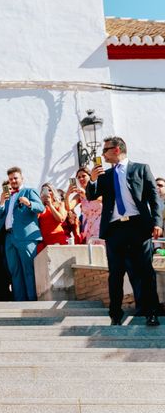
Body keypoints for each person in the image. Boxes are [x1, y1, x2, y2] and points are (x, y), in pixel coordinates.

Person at [87, 136, 163, 326]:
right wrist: (93, 180)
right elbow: (91, 195)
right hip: (115, 229)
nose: (102, 154)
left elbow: (154, 198)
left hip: (138, 226)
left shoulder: (141, 169)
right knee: (115, 274)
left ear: (116, 150)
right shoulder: (105, 175)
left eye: (105, 150)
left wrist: (157, 222)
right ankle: (115, 315)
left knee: (145, 272)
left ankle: (151, 313)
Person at [0, 166, 44, 301]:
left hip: (26, 237)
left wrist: (29, 203)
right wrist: (1, 202)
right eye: (11, 179)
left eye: (15, 178)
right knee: (15, 271)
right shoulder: (8, 197)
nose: (13, 181)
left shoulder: (29, 191)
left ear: (22, 178)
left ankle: (32, 300)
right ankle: (19, 301)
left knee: (28, 270)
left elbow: (41, 208)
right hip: (10, 237)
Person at [66, 167, 103, 243]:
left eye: (83, 176)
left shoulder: (99, 189)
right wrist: (67, 194)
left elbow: (101, 199)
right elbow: (68, 207)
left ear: (90, 176)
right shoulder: (79, 196)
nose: (81, 179)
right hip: (89, 229)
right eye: (78, 177)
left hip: (101, 224)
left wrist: (86, 194)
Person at [37, 183, 68, 252]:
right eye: (44, 190)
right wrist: (41, 204)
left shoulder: (59, 204)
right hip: (44, 239)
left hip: (57, 237)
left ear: (53, 192)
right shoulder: (40, 207)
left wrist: (50, 205)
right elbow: (35, 220)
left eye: (49, 190)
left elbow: (61, 219)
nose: (47, 193)